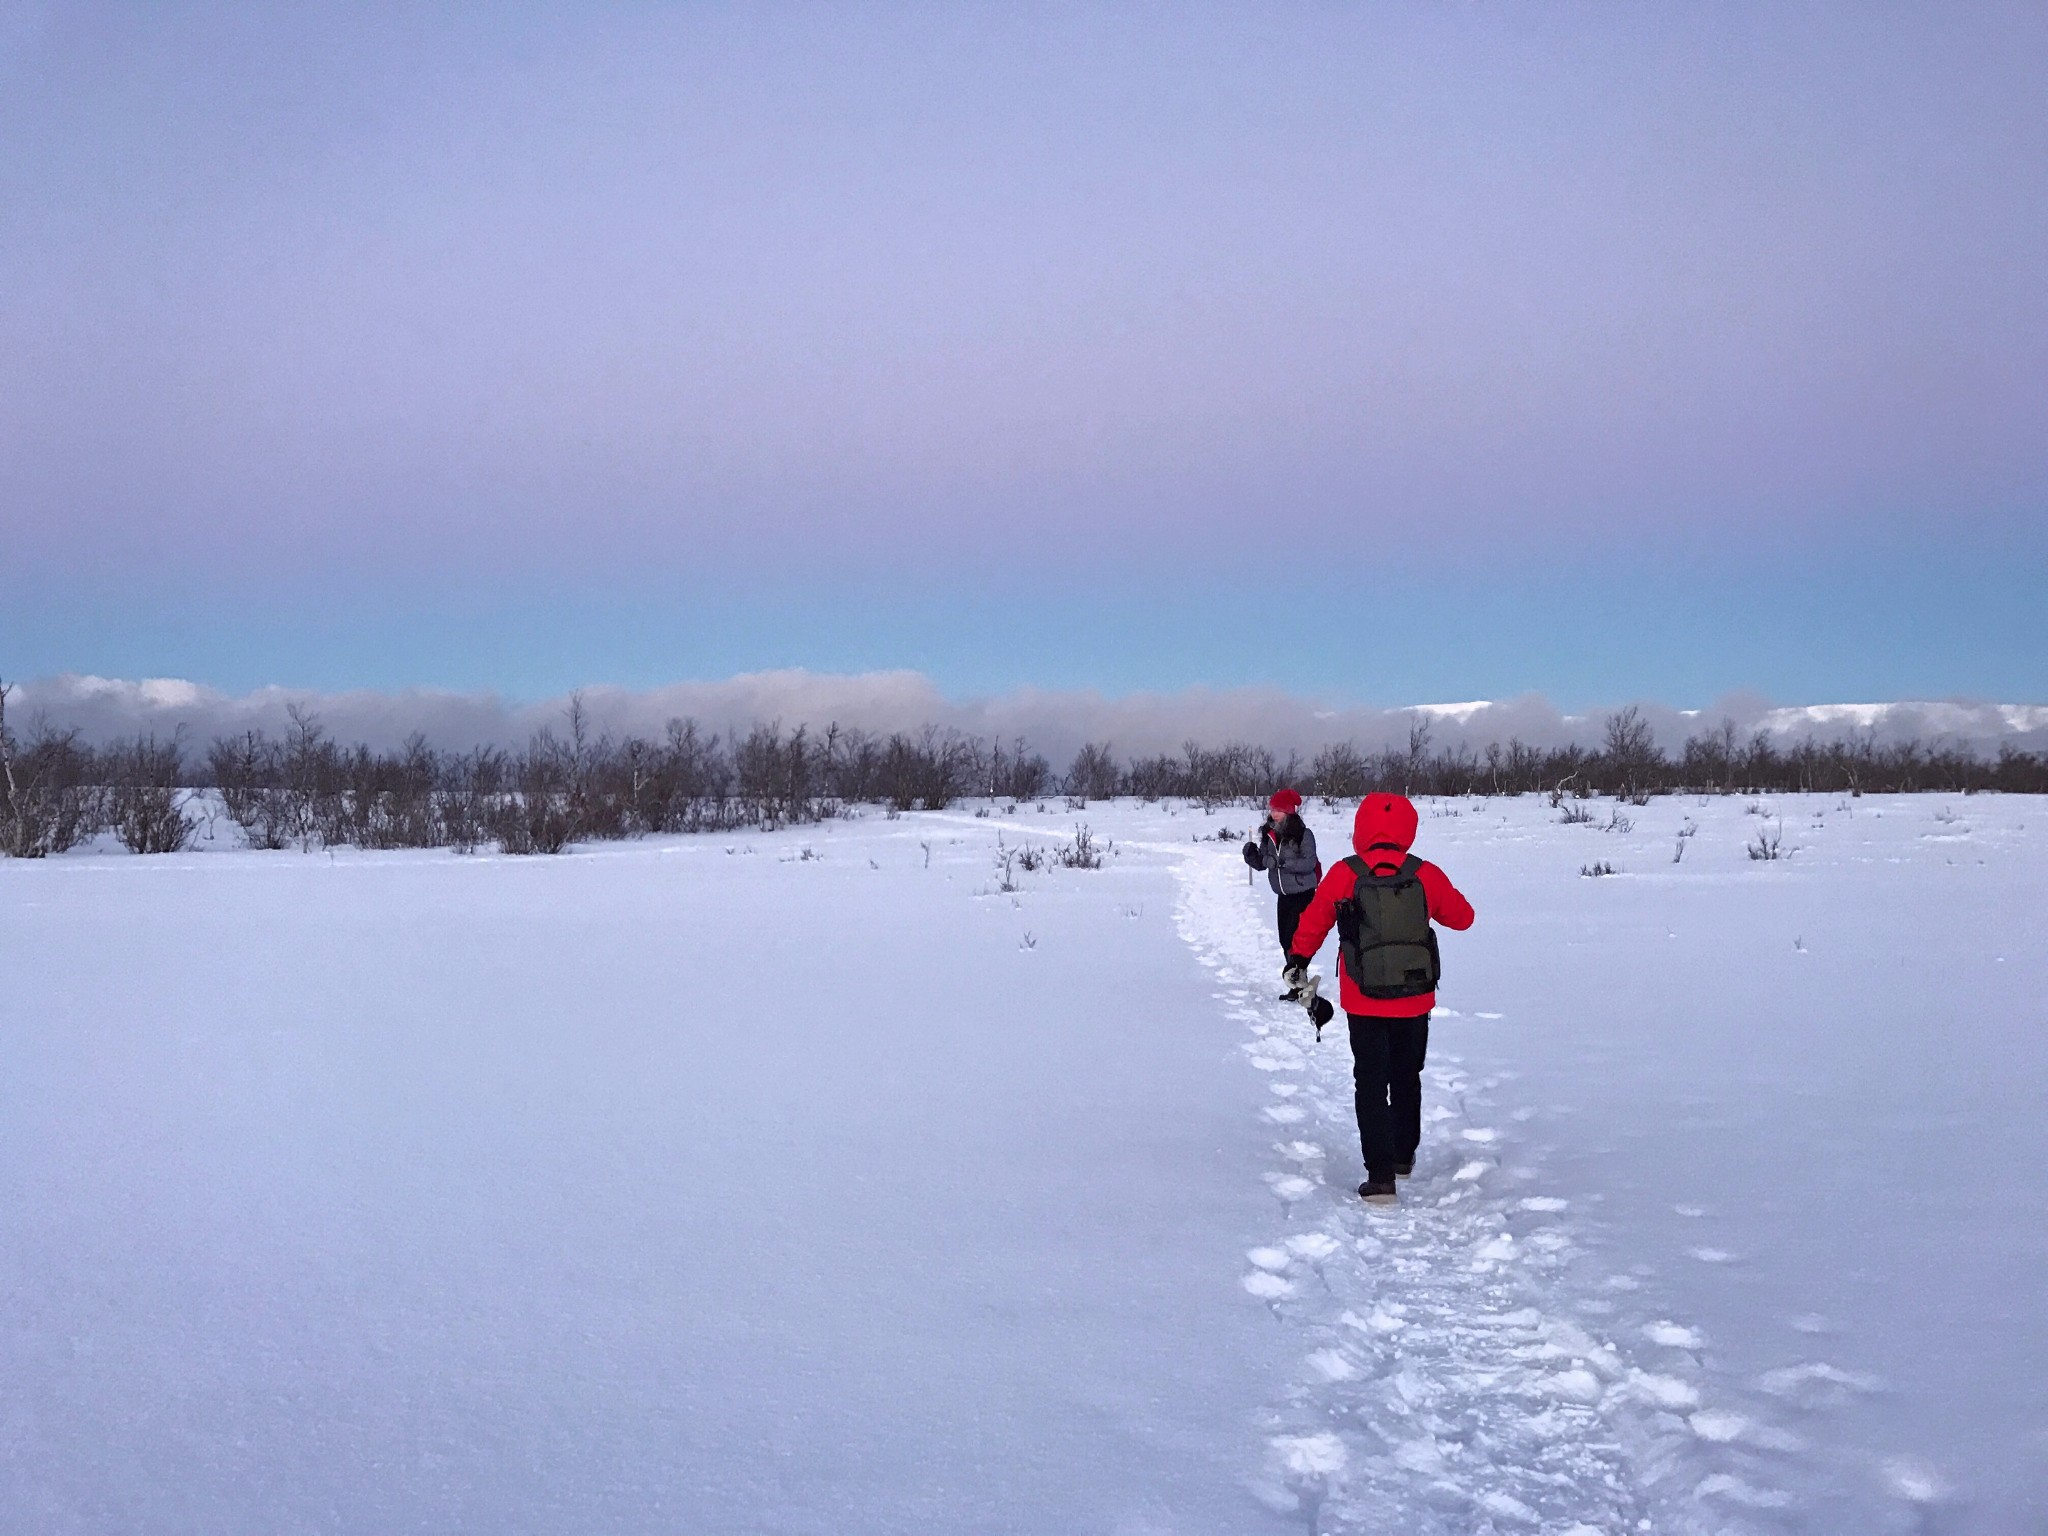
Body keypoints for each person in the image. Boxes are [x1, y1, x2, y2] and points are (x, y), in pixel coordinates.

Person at [1284, 792, 1475, 1205]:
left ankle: (1381, 1177)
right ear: (1408, 829)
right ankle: (1404, 1156)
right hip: (1415, 1000)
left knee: (1370, 1082)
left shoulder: (1344, 874)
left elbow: (1314, 921)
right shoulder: (1424, 873)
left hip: (1363, 998)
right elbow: (1464, 917)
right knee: (1407, 1077)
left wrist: (1298, 959)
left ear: (1361, 829)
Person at [1241, 789, 1321, 998]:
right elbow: (1263, 862)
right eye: (1272, 809)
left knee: (1299, 940)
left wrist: (1282, 862)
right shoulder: (1270, 834)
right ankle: (1297, 982)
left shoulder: (1304, 834)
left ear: (1289, 812)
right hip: (1283, 894)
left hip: (1303, 892)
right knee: (1285, 940)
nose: (1273, 813)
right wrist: (1252, 856)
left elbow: (1309, 863)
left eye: (1278, 810)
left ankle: (1298, 982)